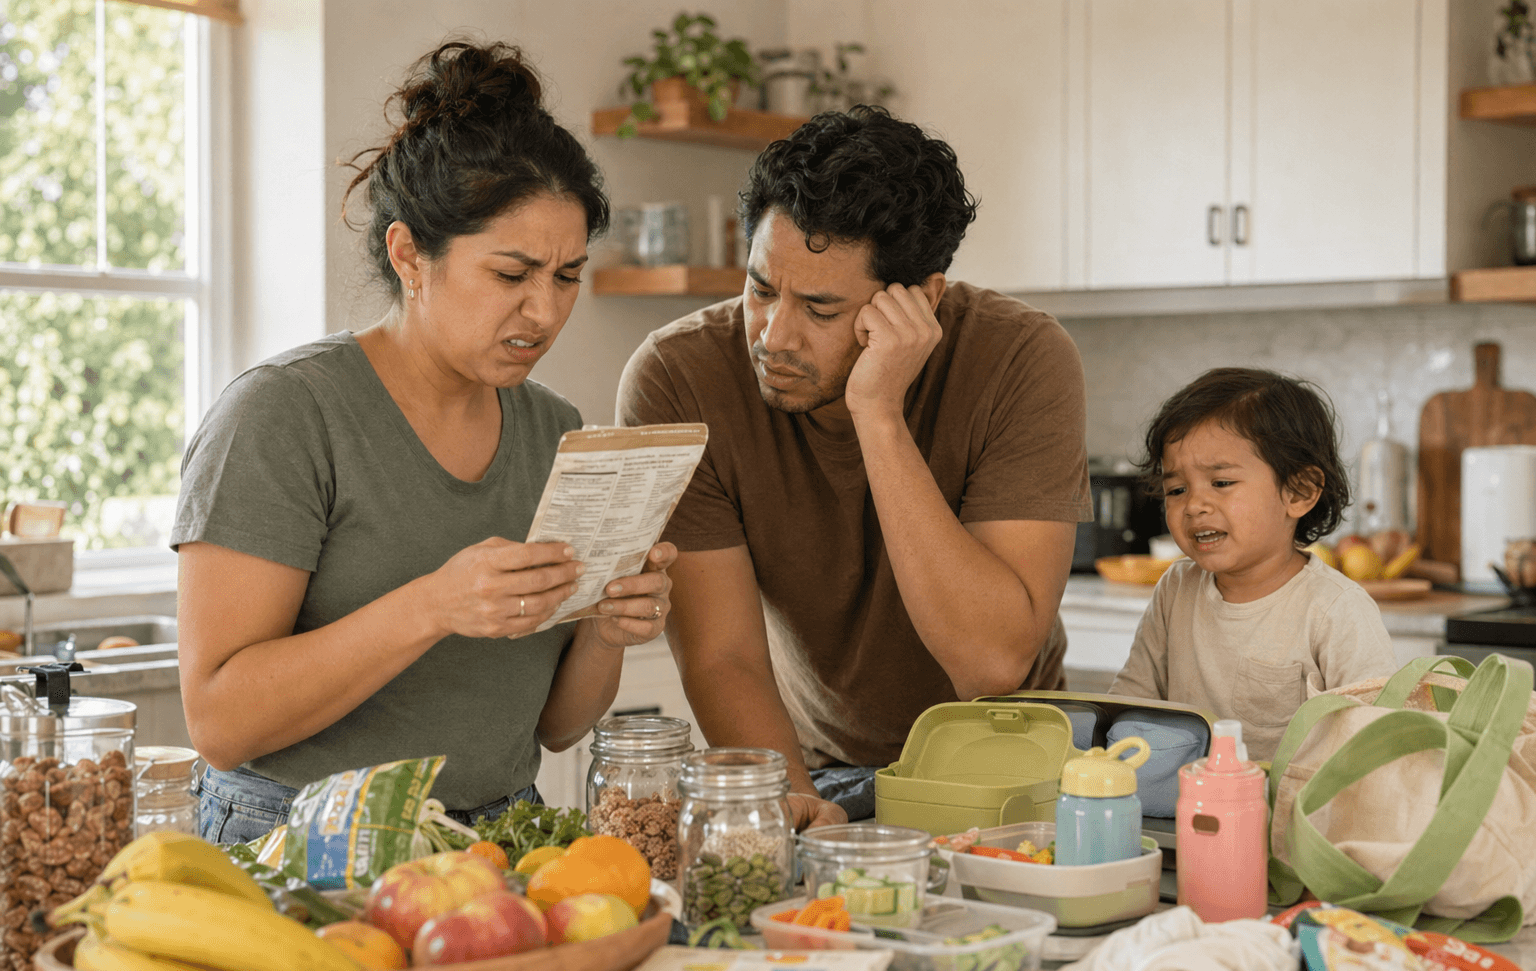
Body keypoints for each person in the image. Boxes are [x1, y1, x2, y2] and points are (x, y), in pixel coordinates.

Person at [172, 41, 675, 845]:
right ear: (410, 255)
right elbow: (220, 721)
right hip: (295, 835)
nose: (544, 313)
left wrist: (609, 631)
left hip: (503, 832)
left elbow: (555, 728)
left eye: (567, 275)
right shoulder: (285, 415)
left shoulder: (556, 432)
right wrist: (435, 605)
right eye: (511, 276)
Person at [618, 106, 1092, 828]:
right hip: (811, 767)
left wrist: (878, 412)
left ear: (920, 300)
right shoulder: (677, 378)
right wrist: (793, 805)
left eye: (819, 307)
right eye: (760, 289)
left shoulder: (1022, 359)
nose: (774, 336)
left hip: (1007, 776)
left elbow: (990, 663)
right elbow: (724, 656)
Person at [1110, 367, 1397, 761]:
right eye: (1176, 489)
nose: (1194, 505)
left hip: (1295, 816)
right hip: (1186, 812)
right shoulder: (1177, 588)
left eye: (1221, 483)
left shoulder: (1336, 608)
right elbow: (1132, 702)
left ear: (1299, 492)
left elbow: (1377, 743)